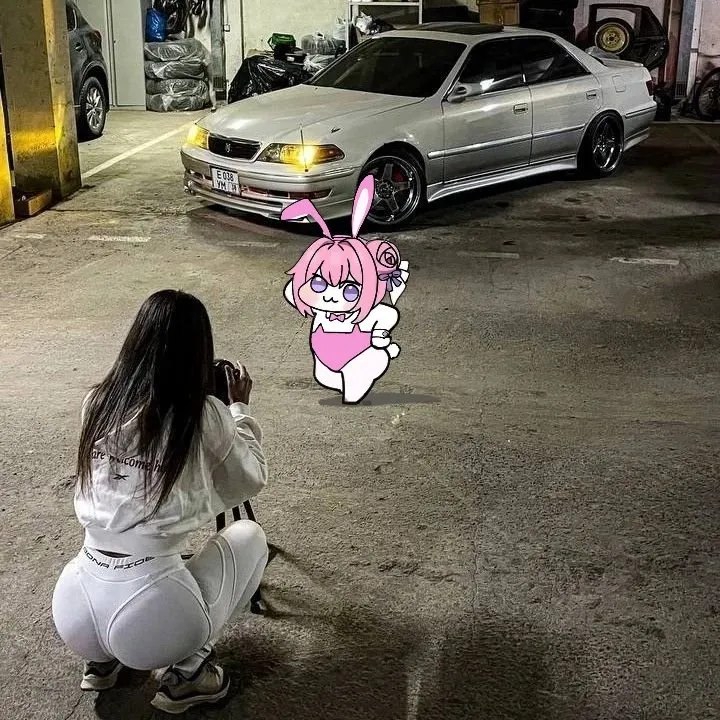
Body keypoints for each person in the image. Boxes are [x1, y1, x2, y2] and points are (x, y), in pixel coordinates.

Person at [51, 289, 269, 715]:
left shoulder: (97, 401)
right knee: (249, 536)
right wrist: (238, 410)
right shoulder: (203, 413)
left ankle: (101, 661)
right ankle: (189, 672)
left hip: (74, 607)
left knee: (139, 570)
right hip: (154, 612)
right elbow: (251, 477)